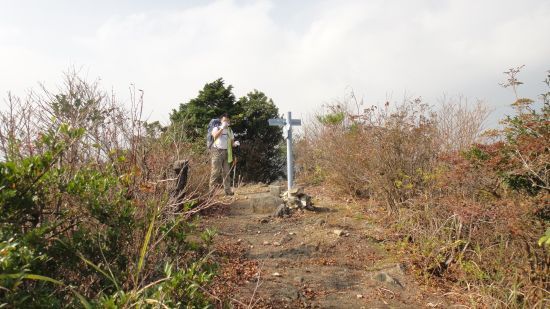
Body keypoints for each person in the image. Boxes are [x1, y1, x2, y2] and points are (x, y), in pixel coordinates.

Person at [209, 113, 240, 195]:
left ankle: (228, 191)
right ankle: (211, 192)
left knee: (226, 172)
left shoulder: (230, 130)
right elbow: (215, 136)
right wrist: (222, 128)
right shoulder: (216, 128)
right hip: (217, 151)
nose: (226, 122)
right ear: (221, 121)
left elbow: (232, 143)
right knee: (215, 172)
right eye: (224, 120)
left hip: (227, 152)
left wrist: (235, 144)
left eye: (227, 120)